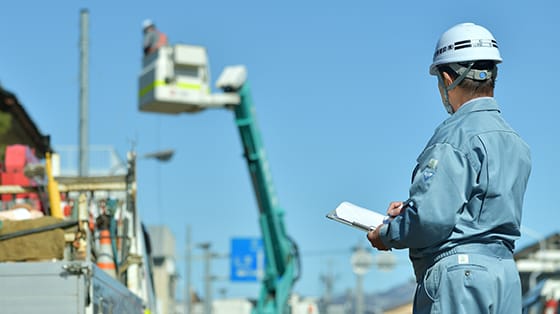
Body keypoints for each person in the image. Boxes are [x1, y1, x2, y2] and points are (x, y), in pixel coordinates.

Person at [367, 22, 531, 313]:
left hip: (461, 279)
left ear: (446, 78)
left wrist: (388, 232)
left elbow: (431, 219)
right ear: (493, 73)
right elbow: (476, 209)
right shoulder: (514, 141)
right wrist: (411, 208)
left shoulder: (454, 137)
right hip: (505, 276)